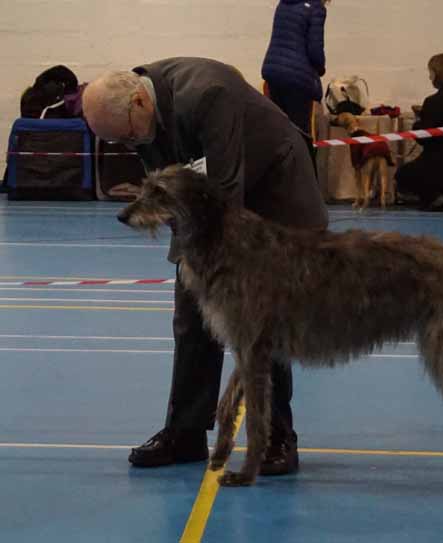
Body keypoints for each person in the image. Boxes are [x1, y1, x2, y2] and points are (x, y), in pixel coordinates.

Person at [82, 57, 329, 475]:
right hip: (211, 201)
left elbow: (225, 193)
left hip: (276, 191)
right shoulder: (137, 114)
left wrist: (197, 259)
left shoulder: (208, 94)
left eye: (125, 136)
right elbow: (174, 195)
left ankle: (275, 438)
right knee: (191, 313)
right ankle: (185, 434)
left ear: (139, 102)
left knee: (263, 320)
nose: (128, 145)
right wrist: (187, 264)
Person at [395, 53, 443, 211]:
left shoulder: (432, 102)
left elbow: (424, 138)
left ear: (438, 74)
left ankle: (433, 197)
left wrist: (418, 122)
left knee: (402, 175)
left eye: (430, 72)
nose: (429, 76)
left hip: (435, 165)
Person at [261, 0, 330, 136]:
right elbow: (315, 50)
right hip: (297, 79)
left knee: (279, 132)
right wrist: (320, 68)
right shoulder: (316, 8)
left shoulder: (284, 3)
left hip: (273, 72)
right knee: (300, 134)